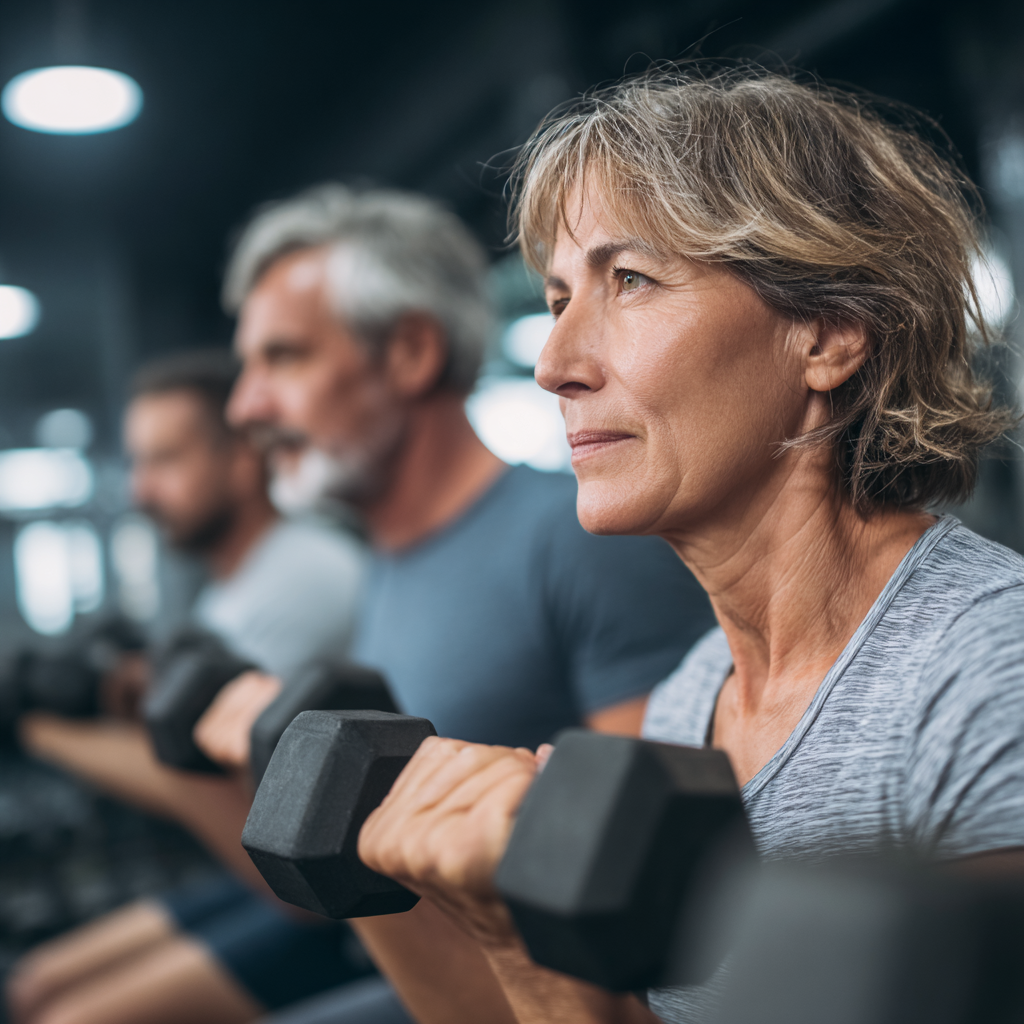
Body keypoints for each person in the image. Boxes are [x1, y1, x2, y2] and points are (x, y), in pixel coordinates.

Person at [350, 65, 1024, 1024]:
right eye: (557, 300)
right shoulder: (689, 700)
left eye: (630, 281)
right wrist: (467, 913)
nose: (553, 364)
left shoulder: (990, 672)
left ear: (828, 334)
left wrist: (533, 957)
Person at [192, 183, 714, 1024]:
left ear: (409, 352)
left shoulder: (579, 540)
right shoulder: (386, 563)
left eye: (282, 358)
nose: (245, 405)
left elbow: (639, 922)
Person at [10, 351, 369, 1024]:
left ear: (242, 461)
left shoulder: (298, 577)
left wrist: (40, 732)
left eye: (166, 460)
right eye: (139, 463)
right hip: (274, 872)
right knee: (33, 985)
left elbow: (197, 771)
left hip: (339, 902)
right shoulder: (232, 588)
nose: (141, 491)